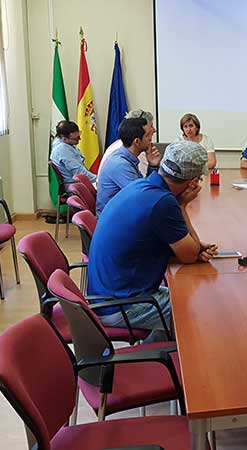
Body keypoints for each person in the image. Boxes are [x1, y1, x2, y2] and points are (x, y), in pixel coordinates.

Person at [87, 140, 218, 343]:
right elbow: (190, 256)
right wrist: (182, 205)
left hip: (106, 294)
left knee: (182, 294)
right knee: (198, 308)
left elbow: (178, 246)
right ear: (193, 182)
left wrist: (191, 246)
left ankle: (157, 348)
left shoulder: (144, 184)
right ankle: (180, 364)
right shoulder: (164, 202)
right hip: (121, 305)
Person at [95, 117, 162, 216]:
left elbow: (144, 187)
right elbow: (143, 197)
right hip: (115, 220)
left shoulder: (126, 157)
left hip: (121, 213)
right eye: (148, 136)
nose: (151, 139)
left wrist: (153, 166)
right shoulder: (120, 165)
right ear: (137, 142)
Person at [100, 109, 156, 177]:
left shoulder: (128, 151)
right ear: (137, 141)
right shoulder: (121, 163)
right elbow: (142, 186)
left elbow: (144, 183)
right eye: (151, 127)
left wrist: (153, 166)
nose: (154, 130)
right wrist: (153, 167)